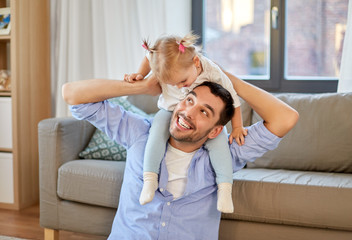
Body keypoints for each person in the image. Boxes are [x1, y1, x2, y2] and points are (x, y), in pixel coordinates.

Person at [62, 73, 299, 239]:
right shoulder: (140, 133)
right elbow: (72, 95)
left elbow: (286, 118)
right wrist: (141, 87)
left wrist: (229, 80)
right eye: (189, 101)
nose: (187, 113)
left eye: (203, 112)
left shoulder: (228, 153)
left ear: (216, 130)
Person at [124, 33, 247, 213]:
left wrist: (237, 127)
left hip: (197, 114)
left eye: (183, 81)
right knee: (156, 133)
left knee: (219, 141)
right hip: (170, 109)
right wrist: (140, 74)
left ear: (196, 62)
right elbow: (148, 56)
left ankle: (225, 189)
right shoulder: (161, 60)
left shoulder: (211, 71)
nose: (180, 87)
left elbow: (233, 98)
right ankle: (150, 179)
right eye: (173, 84)